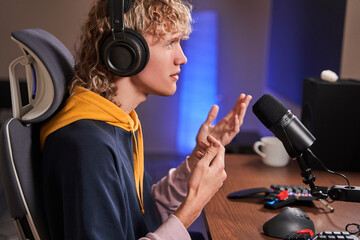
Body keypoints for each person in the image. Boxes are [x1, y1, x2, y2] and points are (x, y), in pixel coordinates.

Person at [40, 0, 252, 239]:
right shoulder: (87, 146)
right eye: (170, 42)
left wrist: (196, 161)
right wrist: (194, 205)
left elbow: (142, 215)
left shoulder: (119, 122)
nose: (182, 58)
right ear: (125, 52)